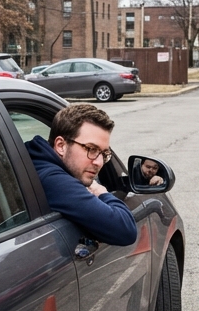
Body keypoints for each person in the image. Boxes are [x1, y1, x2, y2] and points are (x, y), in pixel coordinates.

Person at [25, 103, 138, 246]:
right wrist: (101, 191)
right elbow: (126, 231)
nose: (99, 162)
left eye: (104, 154)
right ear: (61, 145)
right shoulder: (53, 180)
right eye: (91, 149)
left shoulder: (34, 162)